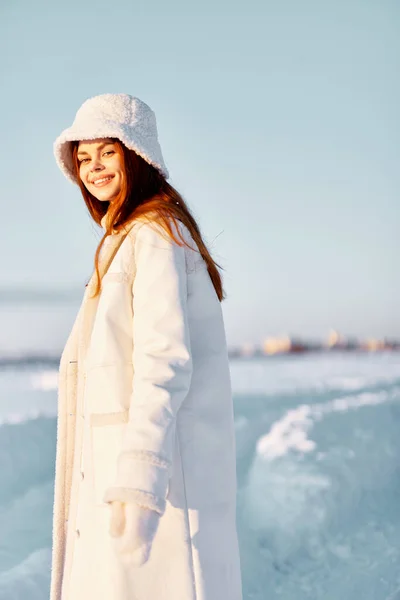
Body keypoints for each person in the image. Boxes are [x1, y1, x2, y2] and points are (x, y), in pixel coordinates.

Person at [50, 93, 242, 600]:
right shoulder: (130, 237)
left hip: (155, 485)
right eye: (83, 158)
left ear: (137, 154)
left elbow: (163, 362)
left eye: (106, 152)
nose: (93, 169)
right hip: (136, 477)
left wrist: (140, 478)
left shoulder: (155, 235)